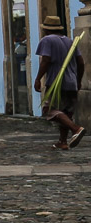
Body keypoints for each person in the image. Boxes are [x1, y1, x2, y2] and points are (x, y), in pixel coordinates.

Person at [35, 16, 85, 149]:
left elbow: (46, 60)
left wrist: (38, 78)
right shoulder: (70, 41)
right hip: (72, 82)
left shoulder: (47, 40)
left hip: (56, 82)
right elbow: (81, 62)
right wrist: (78, 81)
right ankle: (62, 142)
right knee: (66, 112)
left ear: (46, 30)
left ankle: (76, 129)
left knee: (49, 109)